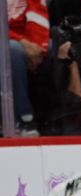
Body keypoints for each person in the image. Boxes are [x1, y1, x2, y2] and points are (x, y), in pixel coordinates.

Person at [7, 0, 49, 135]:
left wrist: (38, 49)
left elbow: (38, 18)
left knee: (59, 49)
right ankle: (24, 118)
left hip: (28, 43)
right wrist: (21, 42)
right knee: (12, 50)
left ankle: (63, 120)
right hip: (11, 43)